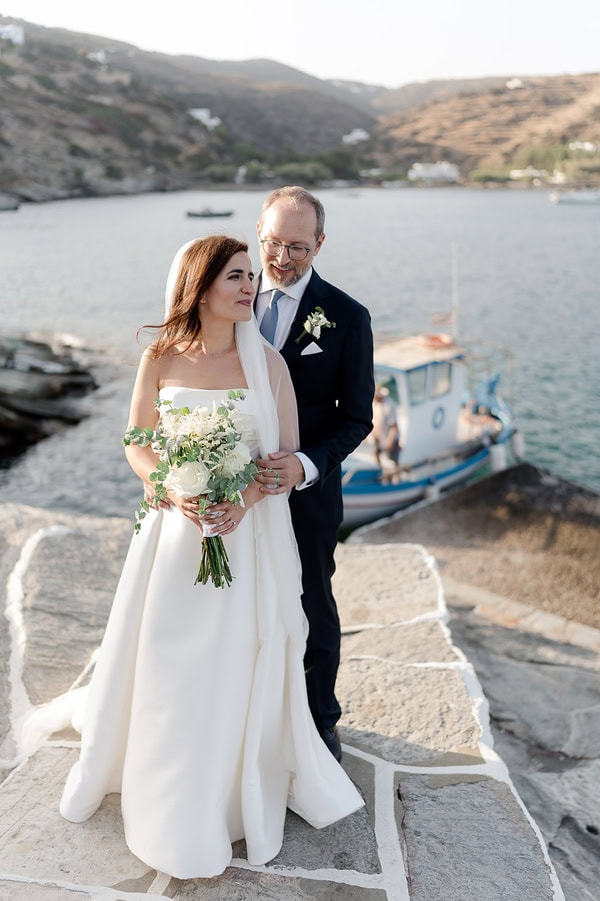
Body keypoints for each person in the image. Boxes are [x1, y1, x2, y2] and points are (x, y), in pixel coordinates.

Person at [58, 236, 363, 878]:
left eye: (251, 276)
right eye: (236, 277)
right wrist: (171, 485)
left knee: (230, 658)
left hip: (244, 541)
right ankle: (163, 775)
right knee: (168, 657)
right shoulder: (160, 356)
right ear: (199, 288)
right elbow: (138, 440)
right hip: (173, 536)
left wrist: (242, 500)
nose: (251, 287)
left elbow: (281, 459)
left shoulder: (269, 365)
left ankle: (224, 788)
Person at [253, 187, 375, 763]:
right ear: (259, 233)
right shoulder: (228, 297)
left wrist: (304, 464)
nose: (283, 258)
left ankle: (320, 718)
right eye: (274, 243)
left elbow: (356, 418)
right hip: (233, 486)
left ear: (320, 244)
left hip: (308, 495)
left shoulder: (347, 317)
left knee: (311, 601)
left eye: (298, 247)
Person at [372, 383, 401, 469]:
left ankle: (396, 472)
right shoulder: (374, 404)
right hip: (377, 437)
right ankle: (379, 469)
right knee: (376, 454)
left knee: (393, 458)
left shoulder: (389, 405)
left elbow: (394, 426)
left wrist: (390, 440)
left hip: (389, 437)